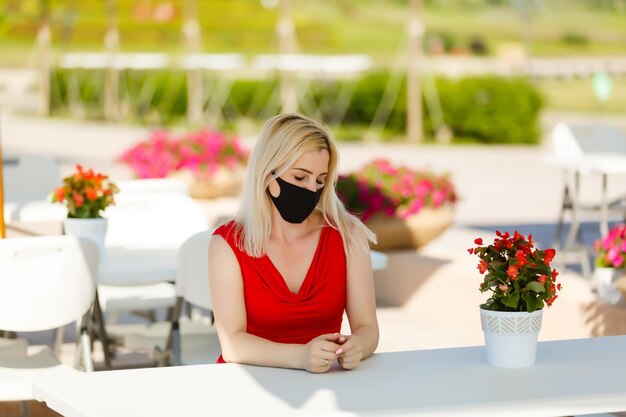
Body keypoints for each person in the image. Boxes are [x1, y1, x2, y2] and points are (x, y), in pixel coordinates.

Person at [208, 113, 379, 373]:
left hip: (325, 379)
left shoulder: (348, 235)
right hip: (247, 383)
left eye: (320, 180)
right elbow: (232, 344)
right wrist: (300, 357)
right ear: (268, 173)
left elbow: (368, 329)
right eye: (300, 178)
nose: (312, 189)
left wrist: (358, 347)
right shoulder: (228, 244)